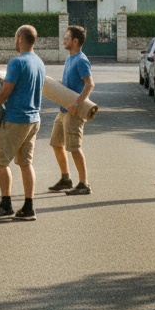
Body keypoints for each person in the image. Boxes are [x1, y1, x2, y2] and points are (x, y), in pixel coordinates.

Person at [0, 24, 46, 221]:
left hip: (16, 119)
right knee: (25, 163)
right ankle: (28, 208)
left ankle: (6, 205)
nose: (15, 41)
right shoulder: (39, 62)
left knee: (0, 161)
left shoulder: (17, 63)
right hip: (34, 119)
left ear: (20, 39)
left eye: (16, 38)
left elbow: (5, 91)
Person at [48, 25, 95, 195]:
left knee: (74, 148)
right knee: (56, 143)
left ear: (75, 41)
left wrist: (76, 103)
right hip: (63, 110)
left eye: (66, 37)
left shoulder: (81, 60)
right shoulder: (69, 59)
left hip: (75, 112)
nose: (64, 40)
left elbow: (90, 84)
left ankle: (84, 184)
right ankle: (65, 179)